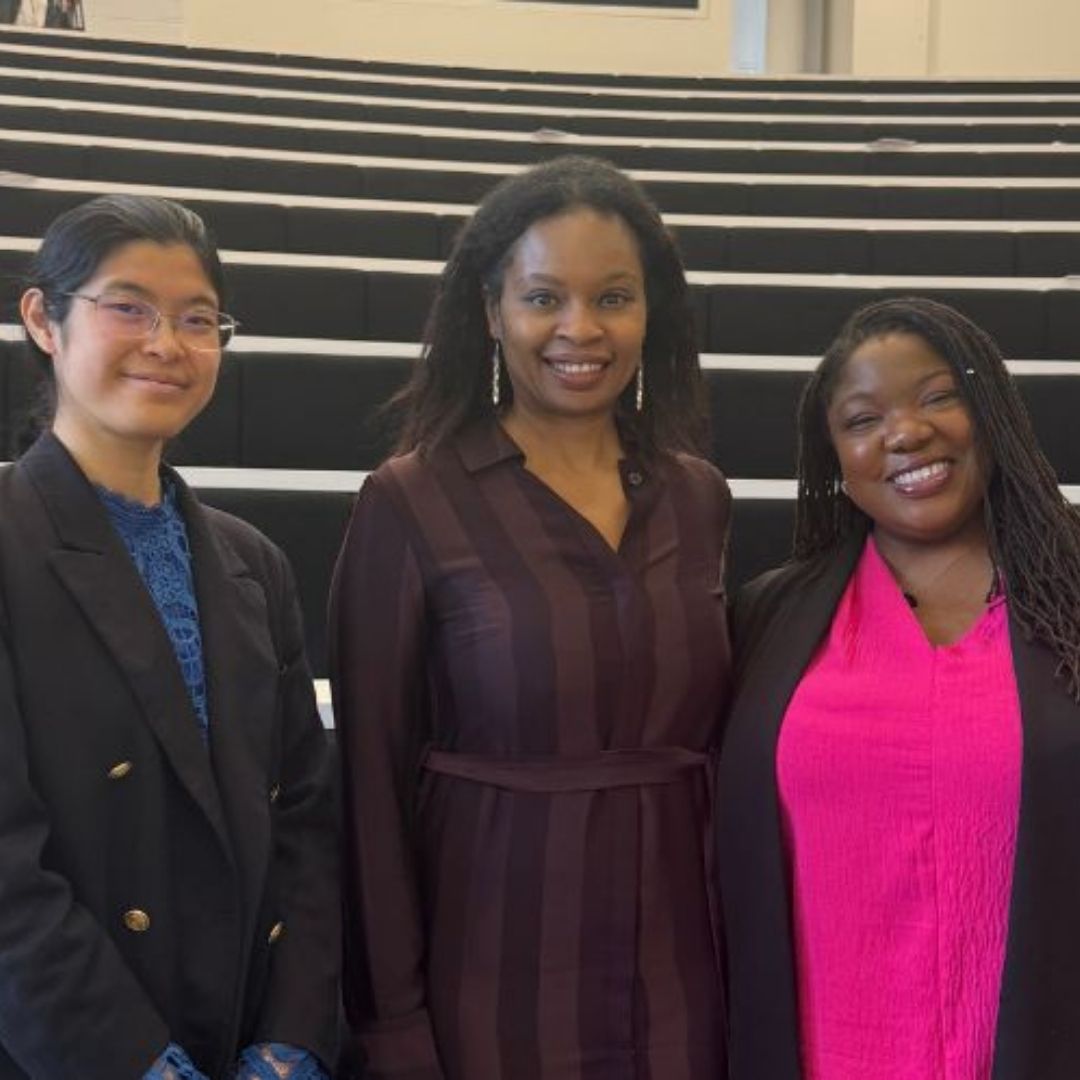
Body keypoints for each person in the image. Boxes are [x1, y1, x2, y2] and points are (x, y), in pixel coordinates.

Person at [329, 155, 730, 1080]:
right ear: (491, 311)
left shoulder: (697, 497)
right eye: (544, 298)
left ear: (651, 312)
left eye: (613, 298)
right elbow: (369, 793)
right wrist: (391, 1025)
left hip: (684, 970)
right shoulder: (411, 499)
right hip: (492, 972)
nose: (580, 329)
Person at [1, 194, 339, 1079]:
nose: (167, 343)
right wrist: (134, 1063)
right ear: (42, 318)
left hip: (245, 1038)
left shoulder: (253, 561)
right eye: (129, 308)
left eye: (197, 319)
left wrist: (293, 1037)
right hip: (62, 1044)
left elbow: (305, 822)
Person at [717, 296, 1080, 1080]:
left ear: (990, 414)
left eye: (938, 397)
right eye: (862, 419)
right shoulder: (768, 616)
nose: (906, 432)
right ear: (836, 464)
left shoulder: (1070, 596)